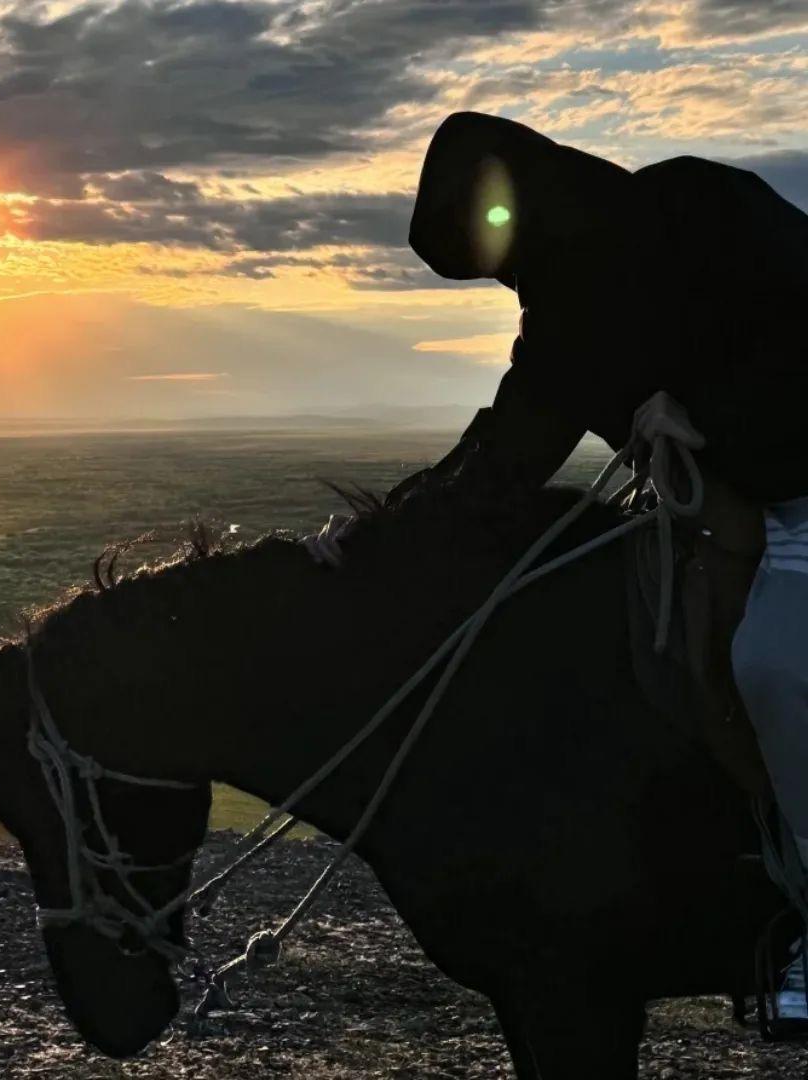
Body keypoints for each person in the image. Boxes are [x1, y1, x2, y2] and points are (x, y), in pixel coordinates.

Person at [306, 111, 808, 1019]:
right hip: (722, 515)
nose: (507, 278)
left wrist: (716, 421)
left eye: (495, 252)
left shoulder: (695, 205)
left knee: (774, 664)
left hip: (800, 491)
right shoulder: (569, 302)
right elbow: (505, 451)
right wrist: (383, 532)